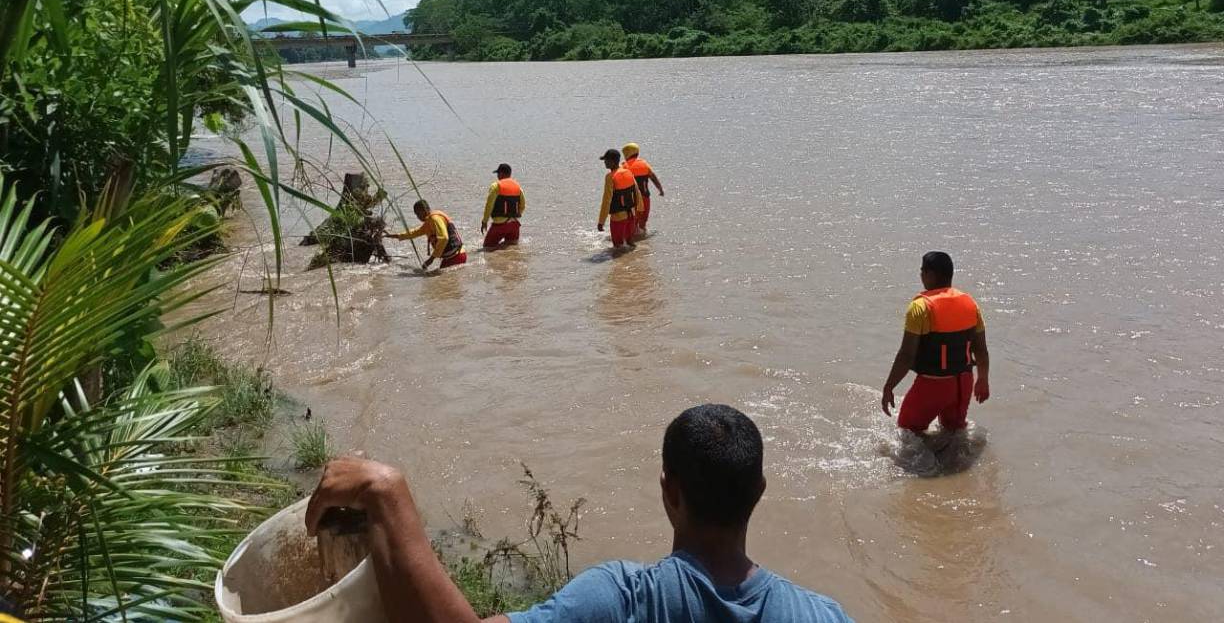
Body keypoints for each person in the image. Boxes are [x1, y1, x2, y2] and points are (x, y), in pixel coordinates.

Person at [306, 404, 854, 622]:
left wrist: (388, 493)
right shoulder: (826, 617)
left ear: (669, 492)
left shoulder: (621, 600)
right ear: (759, 492)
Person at [881, 251, 990, 434]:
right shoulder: (970, 303)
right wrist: (983, 379)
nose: (921, 275)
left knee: (907, 432)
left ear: (930, 274)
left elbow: (906, 355)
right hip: (963, 384)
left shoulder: (920, 307)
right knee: (953, 434)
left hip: (933, 386)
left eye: (922, 271)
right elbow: (981, 350)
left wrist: (889, 387)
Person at [394, 200, 467, 270]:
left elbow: (444, 238)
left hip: (456, 255)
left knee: (441, 280)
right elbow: (415, 232)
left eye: (418, 214)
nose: (418, 217)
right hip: (451, 257)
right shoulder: (428, 222)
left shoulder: (435, 218)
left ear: (424, 210)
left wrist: (431, 259)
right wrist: (395, 235)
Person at [597, 148, 642, 249]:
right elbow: (637, 192)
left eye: (606, 160)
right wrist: (639, 210)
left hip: (618, 218)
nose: (604, 162)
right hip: (631, 215)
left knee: (617, 247)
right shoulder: (628, 172)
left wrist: (601, 221)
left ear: (612, 162)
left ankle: (622, 264)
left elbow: (606, 201)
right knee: (630, 243)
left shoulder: (610, 177)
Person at [622, 142, 664, 236]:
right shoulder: (644, 164)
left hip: (632, 199)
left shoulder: (624, 166)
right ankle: (642, 238)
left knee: (632, 221)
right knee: (643, 221)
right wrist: (660, 189)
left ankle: (632, 240)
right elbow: (653, 177)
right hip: (645, 197)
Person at [482, 163, 525, 249]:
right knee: (511, 249)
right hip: (514, 225)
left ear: (501, 174)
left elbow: (489, 205)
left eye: (498, 173)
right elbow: (523, 205)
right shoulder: (518, 187)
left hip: (499, 225)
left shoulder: (496, 186)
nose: (497, 176)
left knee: (487, 248)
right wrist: (515, 215)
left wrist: (485, 221)